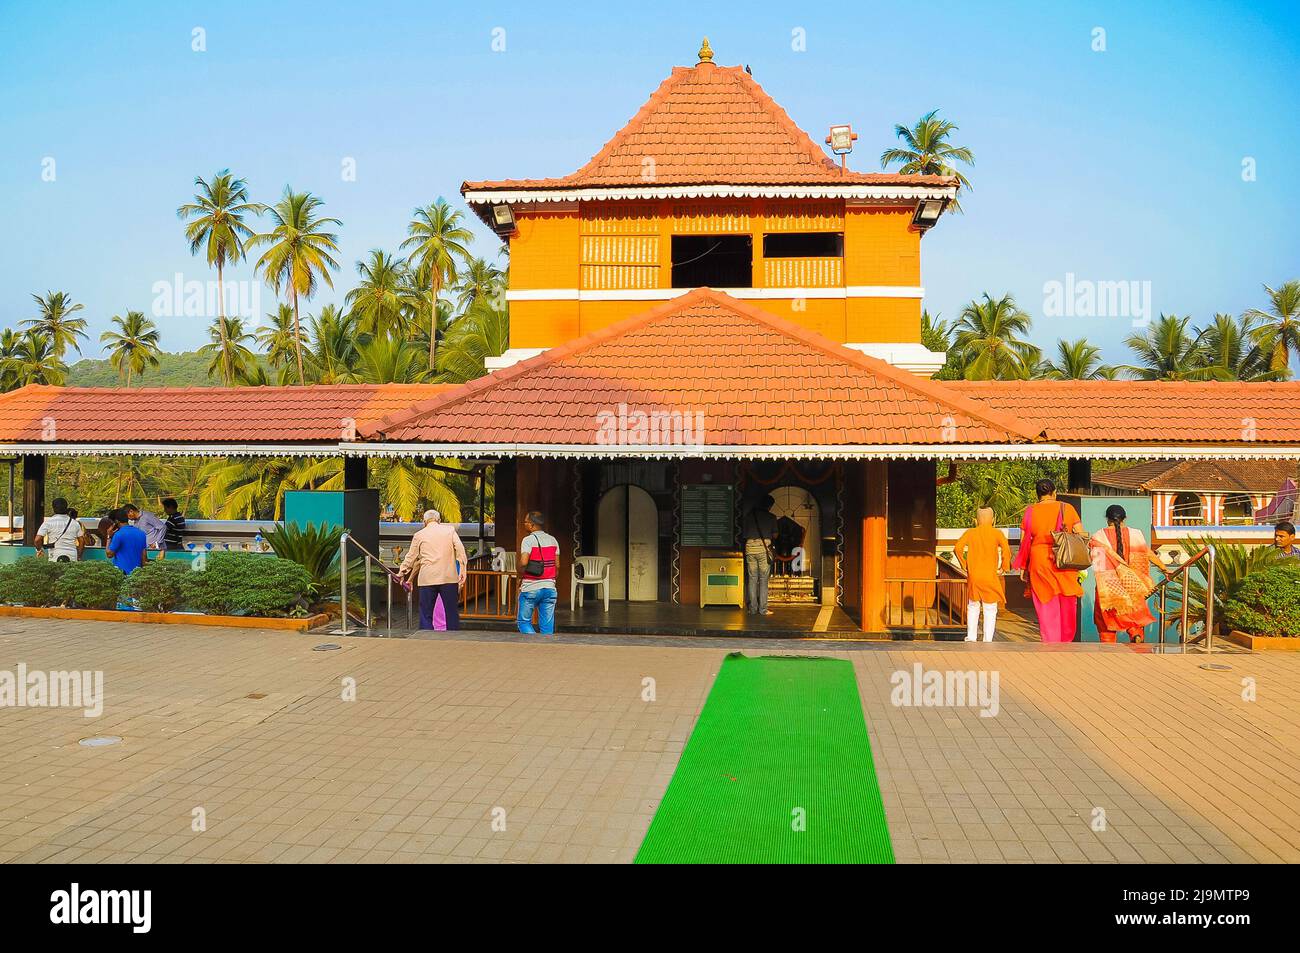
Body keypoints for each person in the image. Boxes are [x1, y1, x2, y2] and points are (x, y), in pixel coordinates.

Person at [1012, 478, 1086, 643]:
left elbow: (1024, 542)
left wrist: (1023, 567)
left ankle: (1051, 643)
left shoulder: (1030, 511)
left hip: (1040, 561)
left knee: (1046, 603)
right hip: (1065, 560)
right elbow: (1081, 534)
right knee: (1067, 602)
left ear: (1038, 494)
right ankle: (1066, 642)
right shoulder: (1067, 508)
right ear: (1054, 493)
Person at [1088, 504, 1172, 643]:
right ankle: (1135, 634)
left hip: (1109, 587)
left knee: (1106, 622)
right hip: (1132, 585)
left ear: (1107, 519)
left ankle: (1108, 645)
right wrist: (1163, 568)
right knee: (1134, 616)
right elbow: (1147, 553)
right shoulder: (1135, 534)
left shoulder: (1098, 537)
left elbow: (1099, 566)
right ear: (1124, 518)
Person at [398, 509, 467, 631]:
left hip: (427, 579)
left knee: (426, 613)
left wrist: (402, 571)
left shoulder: (419, 535)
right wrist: (463, 569)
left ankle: (427, 639)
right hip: (448, 578)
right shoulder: (450, 531)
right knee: (451, 612)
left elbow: (411, 557)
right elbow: (460, 550)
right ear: (439, 520)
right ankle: (454, 639)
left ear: (424, 522)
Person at [953, 506, 1012, 642]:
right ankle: (987, 640)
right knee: (990, 608)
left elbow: (957, 548)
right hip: (990, 576)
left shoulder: (971, 532)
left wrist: (964, 565)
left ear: (976, 520)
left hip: (974, 576)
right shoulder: (997, 533)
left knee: (973, 606)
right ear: (993, 520)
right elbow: (1006, 550)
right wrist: (1004, 566)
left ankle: (971, 637)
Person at [517, 510, 559, 635]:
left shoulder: (528, 540)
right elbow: (557, 565)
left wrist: (519, 572)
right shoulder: (553, 540)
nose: (524, 524)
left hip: (531, 587)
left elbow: (524, 562)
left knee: (523, 622)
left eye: (525, 522)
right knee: (547, 625)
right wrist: (552, 579)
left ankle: (533, 644)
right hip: (550, 587)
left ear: (531, 524)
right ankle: (546, 649)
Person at [741, 494, 778, 616]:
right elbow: (775, 535)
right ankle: (763, 609)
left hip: (750, 549)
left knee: (752, 580)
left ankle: (752, 609)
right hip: (763, 550)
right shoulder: (771, 517)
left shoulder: (749, 516)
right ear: (769, 505)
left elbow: (745, 535)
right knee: (763, 580)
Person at [34, 497, 85, 563]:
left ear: (53, 508)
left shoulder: (48, 522)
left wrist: (39, 550)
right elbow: (82, 541)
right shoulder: (75, 523)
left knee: (56, 573)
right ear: (66, 508)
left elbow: (37, 540)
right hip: (72, 555)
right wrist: (79, 556)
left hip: (55, 555)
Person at [105, 508, 147, 575]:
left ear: (116, 522)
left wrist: (109, 537)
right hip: (136, 575)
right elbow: (144, 558)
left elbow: (109, 554)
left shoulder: (118, 534)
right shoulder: (142, 533)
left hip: (121, 574)